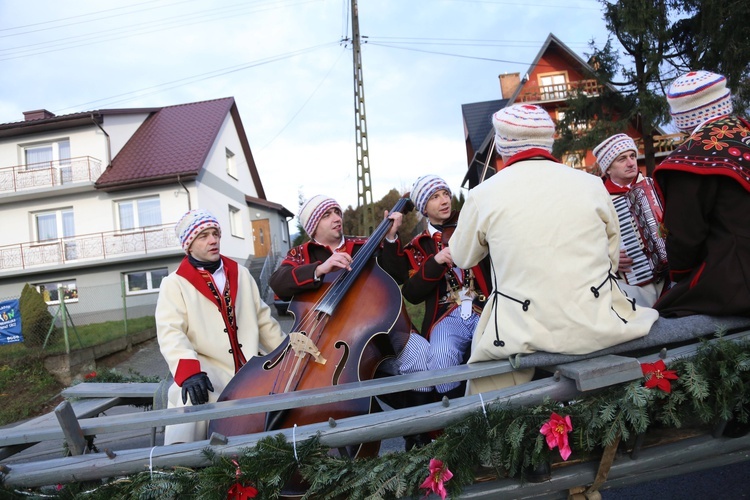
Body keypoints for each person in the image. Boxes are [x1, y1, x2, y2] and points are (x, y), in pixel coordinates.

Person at [449, 103, 659, 394]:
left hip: (522, 329)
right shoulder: (591, 185)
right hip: (595, 321)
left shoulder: (483, 194)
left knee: (483, 376)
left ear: (503, 146)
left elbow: (462, 256)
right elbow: (610, 260)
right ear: (549, 142)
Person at [156, 209, 286, 444]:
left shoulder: (242, 274)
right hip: (210, 367)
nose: (213, 240)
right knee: (188, 396)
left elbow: (264, 321)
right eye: (203, 235)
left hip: (250, 366)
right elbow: (170, 331)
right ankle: (180, 465)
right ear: (189, 245)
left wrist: (288, 352)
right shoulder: (174, 283)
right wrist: (189, 372)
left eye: (215, 233)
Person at [379, 174, 491, 402]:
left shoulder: (471, 224)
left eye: (446, 194)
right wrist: (435, 261)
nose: (444, 201)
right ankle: (460, 418)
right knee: (440, 357)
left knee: (497, 345)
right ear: (424, 209)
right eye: (435, 197)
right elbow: (411, 292)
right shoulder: (420, 246)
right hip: (446, 316)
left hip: (484, 306)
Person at [652, 70, 750, 317]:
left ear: (682, 118)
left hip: (736, 281)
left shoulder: (690, 160)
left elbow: (685, 239)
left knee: (661, 315)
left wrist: (679, 278)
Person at [593, 133, 666, 307]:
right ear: (608, 169)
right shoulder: (599, 200)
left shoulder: (655, 185)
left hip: (672, 274)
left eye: (632, 156)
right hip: (633, 279)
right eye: (622, 159)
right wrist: (609, 256)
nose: (631, 162)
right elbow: (589, 242)